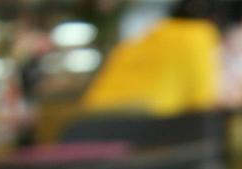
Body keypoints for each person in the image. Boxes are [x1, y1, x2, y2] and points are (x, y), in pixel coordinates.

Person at [81, 0, 222, 115]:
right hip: (136, 120)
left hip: (89, 118)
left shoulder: (155, 32)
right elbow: (202, 105)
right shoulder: (200, 34)